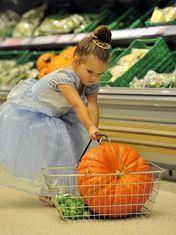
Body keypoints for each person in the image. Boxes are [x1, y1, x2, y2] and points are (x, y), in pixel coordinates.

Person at [0, 25, 112, 206]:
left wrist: (93, 130)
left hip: (60, 112)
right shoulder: (65, 78)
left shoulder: (90, 82)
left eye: (100, 74)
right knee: (57, 148)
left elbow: (92, 106)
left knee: (75, 145)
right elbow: (77, 104)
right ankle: (49, 190)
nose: (94, 78)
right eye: (90, 72)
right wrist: (89, 126)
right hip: (36, 111)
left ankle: (59, 188)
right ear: (75, 62)